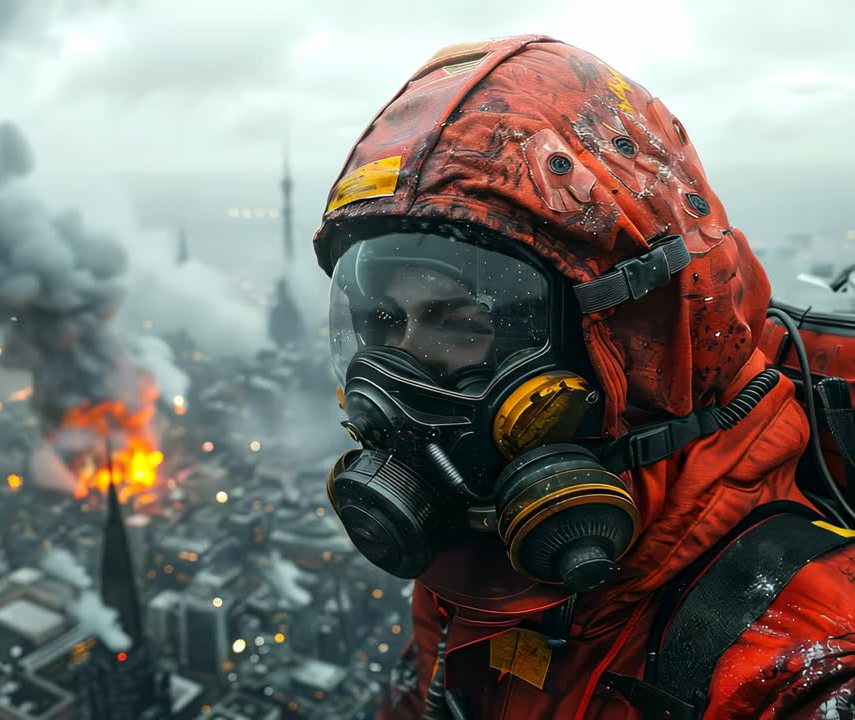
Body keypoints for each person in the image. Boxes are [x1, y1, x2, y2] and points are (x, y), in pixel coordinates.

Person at [313, 36, 855, 719]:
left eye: (456, 323)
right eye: (385, 322)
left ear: (629, 342)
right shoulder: (477, 558)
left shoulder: (804, 660)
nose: (403, 372)